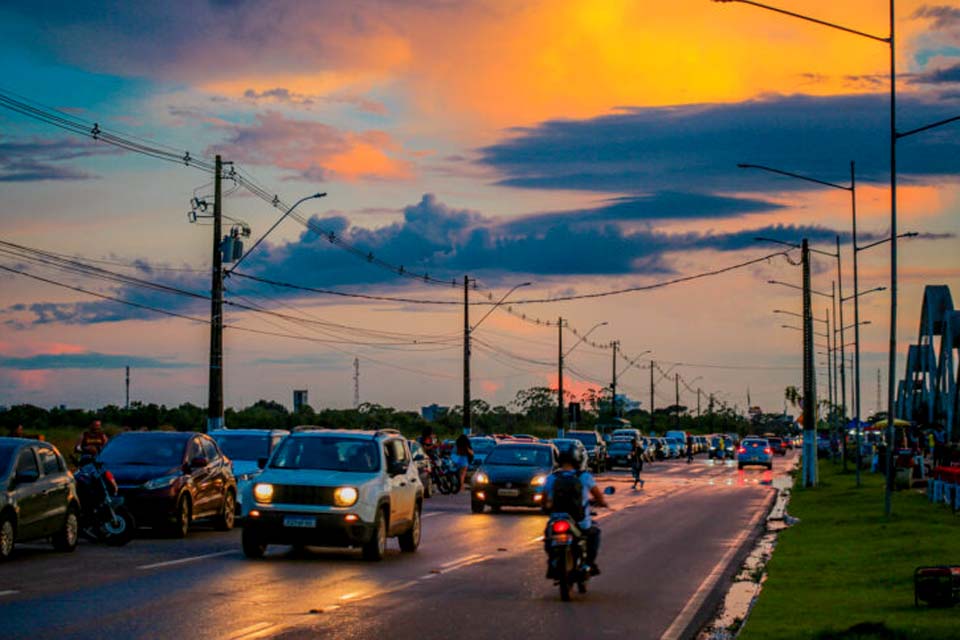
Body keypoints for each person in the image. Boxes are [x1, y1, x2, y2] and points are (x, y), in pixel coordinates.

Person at [544, 448, 608, 575]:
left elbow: (544, 498)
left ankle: (552, 562)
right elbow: (599, 496)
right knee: (594, 534)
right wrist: (602, 503)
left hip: (557, 519)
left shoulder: (552, 478)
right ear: (578, 460)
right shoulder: (584, 476)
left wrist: (547, 508)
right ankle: (588, 564)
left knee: (548, 537)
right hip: (580, 521)